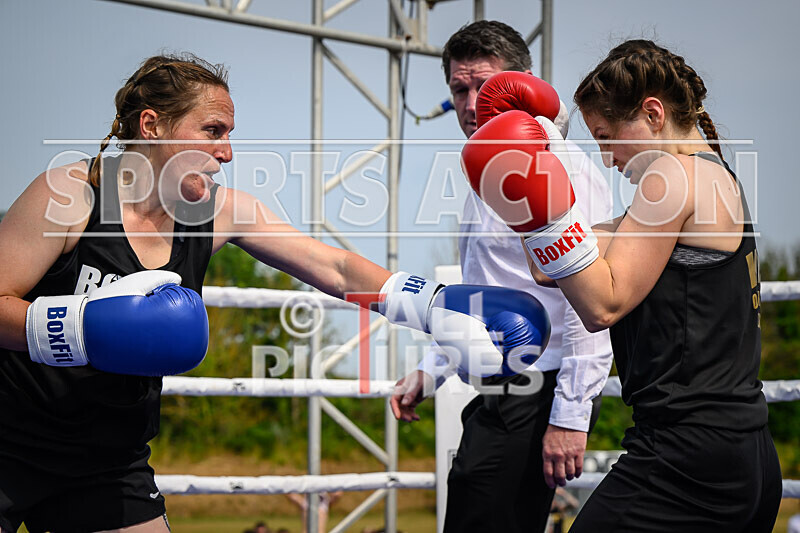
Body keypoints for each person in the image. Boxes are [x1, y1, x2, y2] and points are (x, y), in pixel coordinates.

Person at [0, 53, 551, 533]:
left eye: (230, 135)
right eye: (213, 131)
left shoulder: (216, 213)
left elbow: (331, 265)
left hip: (109, 458)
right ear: (152, 125)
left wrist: (431, 306)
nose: (228, 153)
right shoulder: (70, 196)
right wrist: (80, 330)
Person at [462, 39, 782, 532]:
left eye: (607, 137)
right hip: (742, 451)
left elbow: (600, 305)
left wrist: (527, 173)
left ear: (653, 113)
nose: (608, 160)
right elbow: (553, 269)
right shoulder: (714, 177)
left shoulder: (670, 179)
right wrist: (544, 167)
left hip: (684, 457)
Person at [390, 21, 613, 533]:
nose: (471, 105)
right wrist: (432, 368)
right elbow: (486, 294)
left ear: (522, 85)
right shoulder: (489, 168)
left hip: (542, 386)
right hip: (499, 382)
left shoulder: (562, 167)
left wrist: (570, 416)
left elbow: (591, 298)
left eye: (484, 88)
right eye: (459, 90)